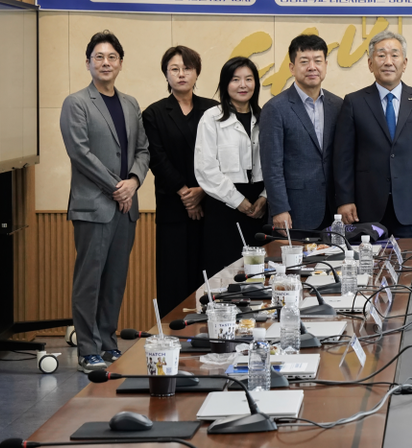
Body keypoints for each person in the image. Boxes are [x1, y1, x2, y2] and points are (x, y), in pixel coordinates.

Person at [59, 30, 149, 373]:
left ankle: (108, 341)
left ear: (121, 63)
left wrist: (134, 182)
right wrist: (118, 186)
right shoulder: (77, 103)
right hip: (94, 206)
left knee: (115, 278)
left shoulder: (130, 103)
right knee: (90, 278)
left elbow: (143, 149)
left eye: (112, 57)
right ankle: (87, 348)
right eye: (99, 57)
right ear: (88, 63)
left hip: (126, 207)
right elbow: (79, 153)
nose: (106, 62)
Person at [333, 31, 412, 238]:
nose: (388, 61)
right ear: (370, 63)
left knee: (410, 263)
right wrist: (345, 200)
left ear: (404, 63)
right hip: (366, 206)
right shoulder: (354, 102)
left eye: (395, 55)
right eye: (381, 55)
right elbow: (343, 158)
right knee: (368, 266)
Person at [141, 46, 218, 314]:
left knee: (208, 276)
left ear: (197, 73)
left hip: (211, 206)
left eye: (187, 68)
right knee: (173, 278)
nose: (181, 74)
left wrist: (202, 192)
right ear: (166, 74)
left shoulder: (214, 110)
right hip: (173, 206)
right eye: (175, 69)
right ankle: (173, 338)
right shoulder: (154, 113)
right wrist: (187, 193)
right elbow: (156, 158)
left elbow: (221, 158)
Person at [259, 34, 342, 234]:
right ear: (292, 67)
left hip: (333, 210)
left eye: (318, 61)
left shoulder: (338, 105)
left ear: (326, 65)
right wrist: (279, 209)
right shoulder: (275, 108)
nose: (312, 67)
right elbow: (272, 166)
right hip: (295, 211)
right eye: (304, 61)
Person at [195, 57, 266, 276]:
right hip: (224, 205)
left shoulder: (265, 117)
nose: (243, 85)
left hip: (261, 204)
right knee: (225, 274)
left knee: (260, 273)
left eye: (248, 79)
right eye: (235, 79)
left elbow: (277, 163)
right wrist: (238, 201)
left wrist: (265, 197)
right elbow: (205, 169)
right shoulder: (211, 118)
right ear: (226, 84)